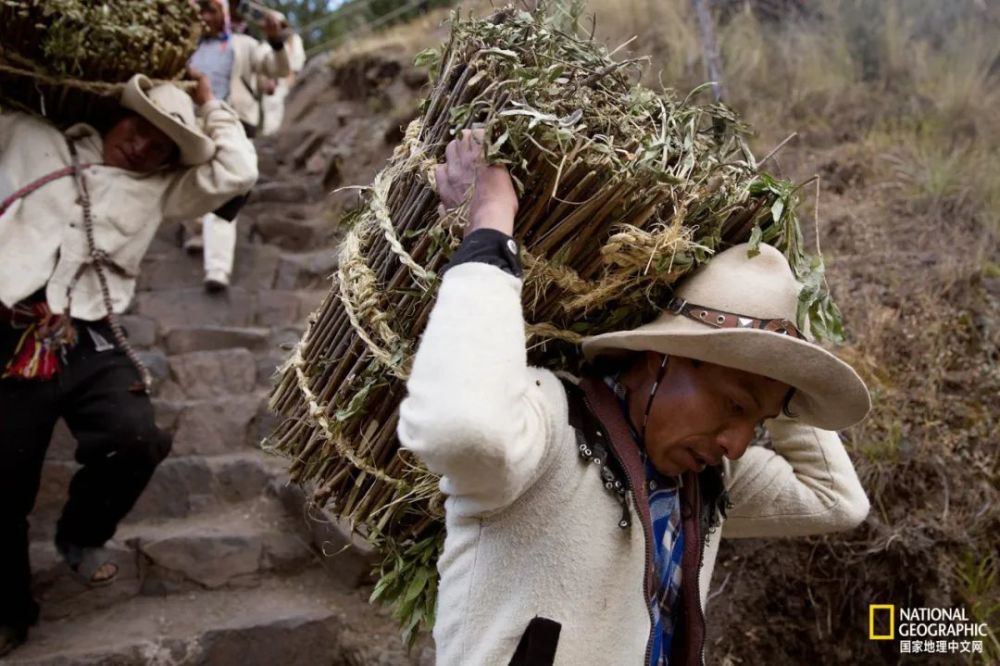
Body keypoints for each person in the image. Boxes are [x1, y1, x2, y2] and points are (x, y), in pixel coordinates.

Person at [397, 130, 872, 665]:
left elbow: (837, 500)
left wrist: (783, 362)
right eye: (735, 406)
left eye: (759, 423)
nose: (739, 446)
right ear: (661, 355)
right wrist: (489, 228)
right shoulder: (551, 425)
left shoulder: (706, 481)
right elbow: (461, 427)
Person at [0, 73, 258, 657]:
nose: (142, 148)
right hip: (13, 332)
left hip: (91, 333)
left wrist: (210, 104)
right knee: (6, 483)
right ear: (116, 117)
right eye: (137, 130)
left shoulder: (163, 189)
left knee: (136, 439)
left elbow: (239, 170)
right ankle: (11, 610)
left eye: (160, 146)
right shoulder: (33, 136)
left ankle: (81, 536)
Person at [183, 0, 291, 291]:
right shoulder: (186, 47)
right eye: (200, 10)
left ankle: (217, 269)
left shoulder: (245, 45)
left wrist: (275, 41)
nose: (205, 17)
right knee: (192, 181)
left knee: (228, 191)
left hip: (232, 125)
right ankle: (195, 229)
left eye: (211, 10)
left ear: (226, 13)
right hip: (191, 125)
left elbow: (279, 69)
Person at [260, 18, 306, 136]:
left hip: (288, 82)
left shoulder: (294, 40)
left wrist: (293, 76)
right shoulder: (265, 45)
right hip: (274, 84)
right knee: (271, 111)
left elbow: (297, 62)